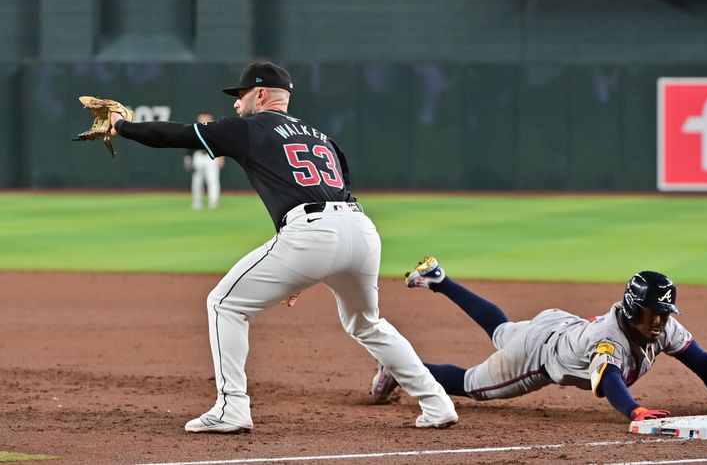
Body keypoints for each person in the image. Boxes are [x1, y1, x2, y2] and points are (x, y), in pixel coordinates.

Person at [110, 62, 458, 433]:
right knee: (368, 324)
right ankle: (437, 403)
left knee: (224, 304)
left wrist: (122, 126)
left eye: (240, 95)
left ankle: (232, 408)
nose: (236, 104)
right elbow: (333, 192)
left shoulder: (248, 128)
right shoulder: (321, 137)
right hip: (360, 228)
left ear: (260, 94)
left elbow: (175, 135)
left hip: (312, 233)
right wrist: (298, 273)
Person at [371, 257, 707, 424]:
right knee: (473, 385)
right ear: (631, 309)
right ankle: (401, 367)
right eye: (652, 312)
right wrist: (634, 410)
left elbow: (702, 360)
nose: (660, 321)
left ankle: (440, 280)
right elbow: (608, 379)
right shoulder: (611, 338)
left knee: (500, 330)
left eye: (664, 313)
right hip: (539, 354)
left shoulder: (660, 326)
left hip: (559, 325)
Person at [183, 113, 225, 210]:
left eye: (206, 118)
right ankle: (197, 201)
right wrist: (188, 158)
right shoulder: (195, 130)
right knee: (197, 180)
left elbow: (221, 146)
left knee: (213, 180)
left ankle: (213, 201)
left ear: (211, 119)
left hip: (211, 157)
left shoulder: (215, 131)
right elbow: (189, 145)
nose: (204, 120)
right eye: (202, 118)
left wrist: (221, 158)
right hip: (198, 156)